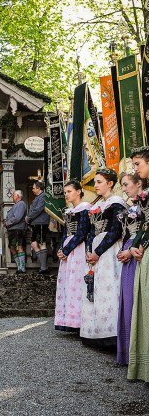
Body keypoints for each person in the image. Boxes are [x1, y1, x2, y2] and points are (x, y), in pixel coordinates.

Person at [81, 168, 126, 349]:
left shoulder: (117, 204)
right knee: (96, 290)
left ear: (110, 184)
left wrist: (98, 252)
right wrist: (89, 250)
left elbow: (115, 231)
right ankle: (96, 334)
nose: (96, 185)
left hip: (108, 252)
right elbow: (91, 232)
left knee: (109, 289)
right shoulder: (99, 206)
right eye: (95, 182)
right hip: (96, 252)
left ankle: (113, 335)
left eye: (99, 182)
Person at [55, 180, 91, 333]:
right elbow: (66, 233)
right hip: (68, 251)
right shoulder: (69, 211)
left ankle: (80, 321)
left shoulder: (85, 209)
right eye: (65, 192)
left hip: (78, 249)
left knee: (76, 282)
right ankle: (69, 320)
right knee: (67, 282)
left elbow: (82, 233)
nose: (66, 195)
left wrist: (67, 249)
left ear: (78, 191)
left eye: (69, 191)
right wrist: (61, 249)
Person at [116, 173, 145, 365]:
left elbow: (144, 229)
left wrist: (132, 248)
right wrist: (123, 250)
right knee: (126, 300)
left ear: (139, 183)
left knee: (138, 301)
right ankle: (128, 354)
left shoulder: (145, 206)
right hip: (128, 252)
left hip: (140, 251)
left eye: (126, 184)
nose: (125, 189)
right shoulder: (130, 209)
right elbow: (125, 233)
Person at [128, 146, 149, 382]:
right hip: (144, 250)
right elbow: (143, 226)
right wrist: (137, 244)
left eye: (138, 164)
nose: (135, 169)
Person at [26, 181, 51, 274]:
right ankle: (43, 267)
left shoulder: (43, 196)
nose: (32, 190)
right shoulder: (38, 197)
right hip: (36, 223)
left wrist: (29, 217)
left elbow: (38, 209)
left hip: (41, 223)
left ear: (38, 188)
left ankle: (43, 268)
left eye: (33, 188)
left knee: (41, 243)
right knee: (34, 244)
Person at [3, 190, 27, 274]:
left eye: (13, 195)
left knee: (19, 247)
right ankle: (18, 266)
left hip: (18, 229)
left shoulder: (21, 204)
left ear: (17, 196)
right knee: (12, 248)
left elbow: (17, 218)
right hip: (12, 230)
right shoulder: (16, 205)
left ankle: (22, 268)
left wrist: (7, 223)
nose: (13, 197)